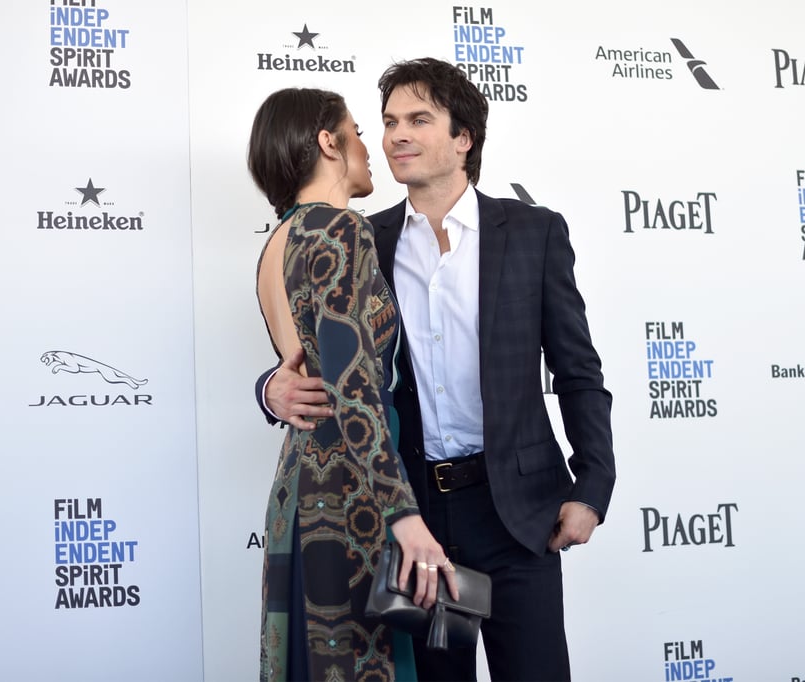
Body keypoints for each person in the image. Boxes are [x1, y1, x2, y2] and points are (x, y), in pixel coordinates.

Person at [258, 59, 616, 681]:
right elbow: (327, 365)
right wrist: (270, 388)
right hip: (413, 516)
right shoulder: (364, 236)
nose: (397, 135)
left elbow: (578, 370)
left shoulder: (533, 233)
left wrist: (592, 486)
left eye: (419, 119)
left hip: (518, 514)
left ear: (463, 138)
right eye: (389, 121)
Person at [249, 87, 458, 682]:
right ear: (327, 142)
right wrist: (403, 515)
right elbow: (354, 391)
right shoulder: (341, 229)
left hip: (298, 490)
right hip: (349, 500)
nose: (370, 147)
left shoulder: (278, 241)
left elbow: (307, 373)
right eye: (360, 131)